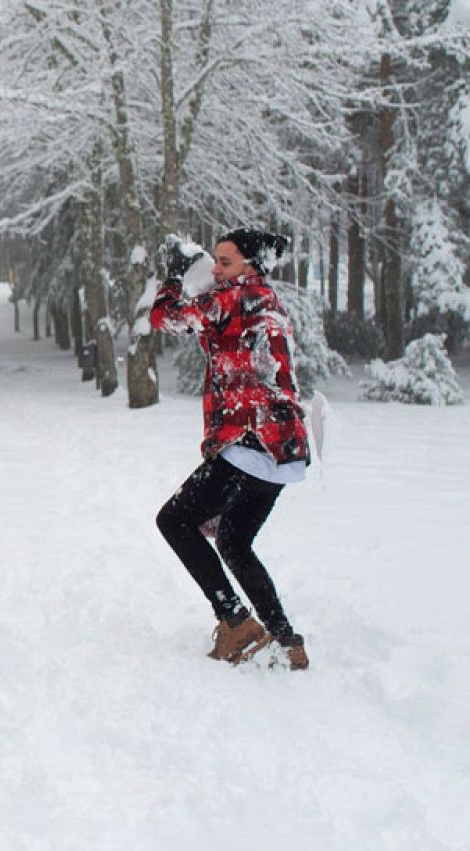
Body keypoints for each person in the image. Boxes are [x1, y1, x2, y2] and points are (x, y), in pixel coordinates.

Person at [149, 228, 311, 671]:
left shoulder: (237, 296)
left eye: (225, 262)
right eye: (215, 262)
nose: (217, 270)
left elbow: (166, 318)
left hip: (248, 441)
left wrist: (174, 279)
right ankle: (286, 640)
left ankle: (236, 622)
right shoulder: (264, 301)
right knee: (235, 543)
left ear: (250, 266)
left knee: (174, 520)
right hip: (282, 451)